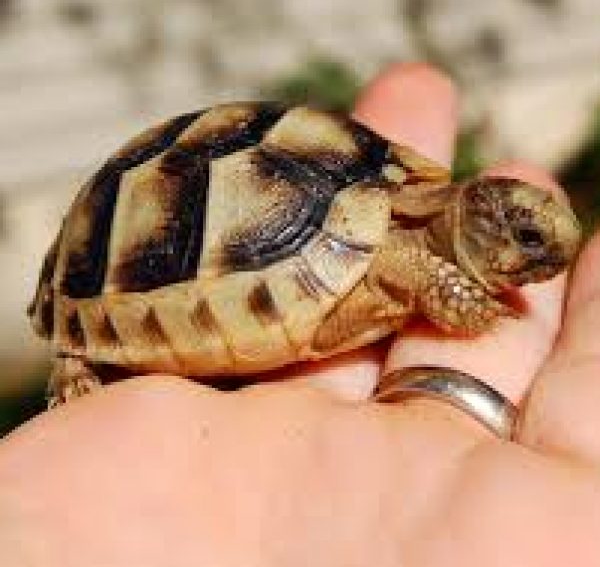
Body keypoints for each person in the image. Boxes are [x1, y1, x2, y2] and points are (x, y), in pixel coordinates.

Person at [1, 63, 599, 566]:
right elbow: (414, 269)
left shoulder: (395, 208)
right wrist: (452, 296)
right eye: (525, 238)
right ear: (474, 219)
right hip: (121, 267)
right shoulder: (409, 258)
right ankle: (80, 350)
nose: (539, 258)